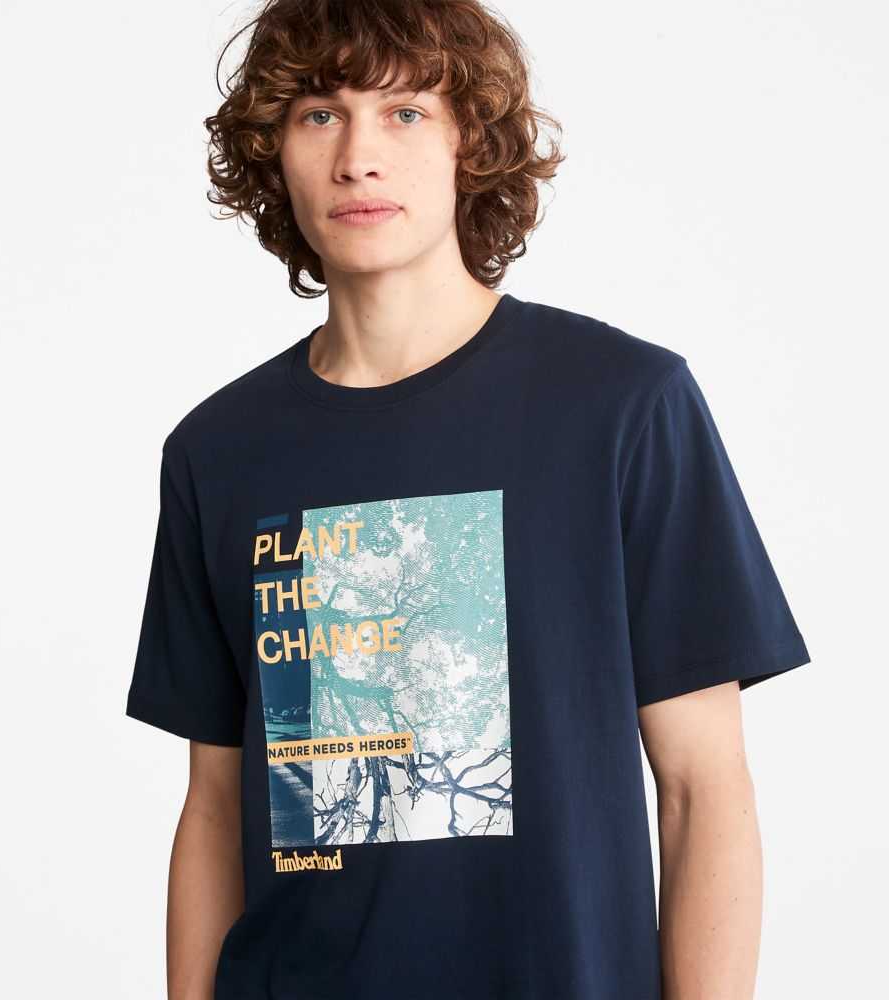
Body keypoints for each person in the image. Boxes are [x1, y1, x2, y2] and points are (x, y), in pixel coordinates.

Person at [125, 1, 811, 997]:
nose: (359, 157)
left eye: (404, 112)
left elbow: (702, 790)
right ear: (276, 152)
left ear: (470, 145)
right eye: (319, 114)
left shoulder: (622, 406)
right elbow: (215, 806)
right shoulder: (217, 451)